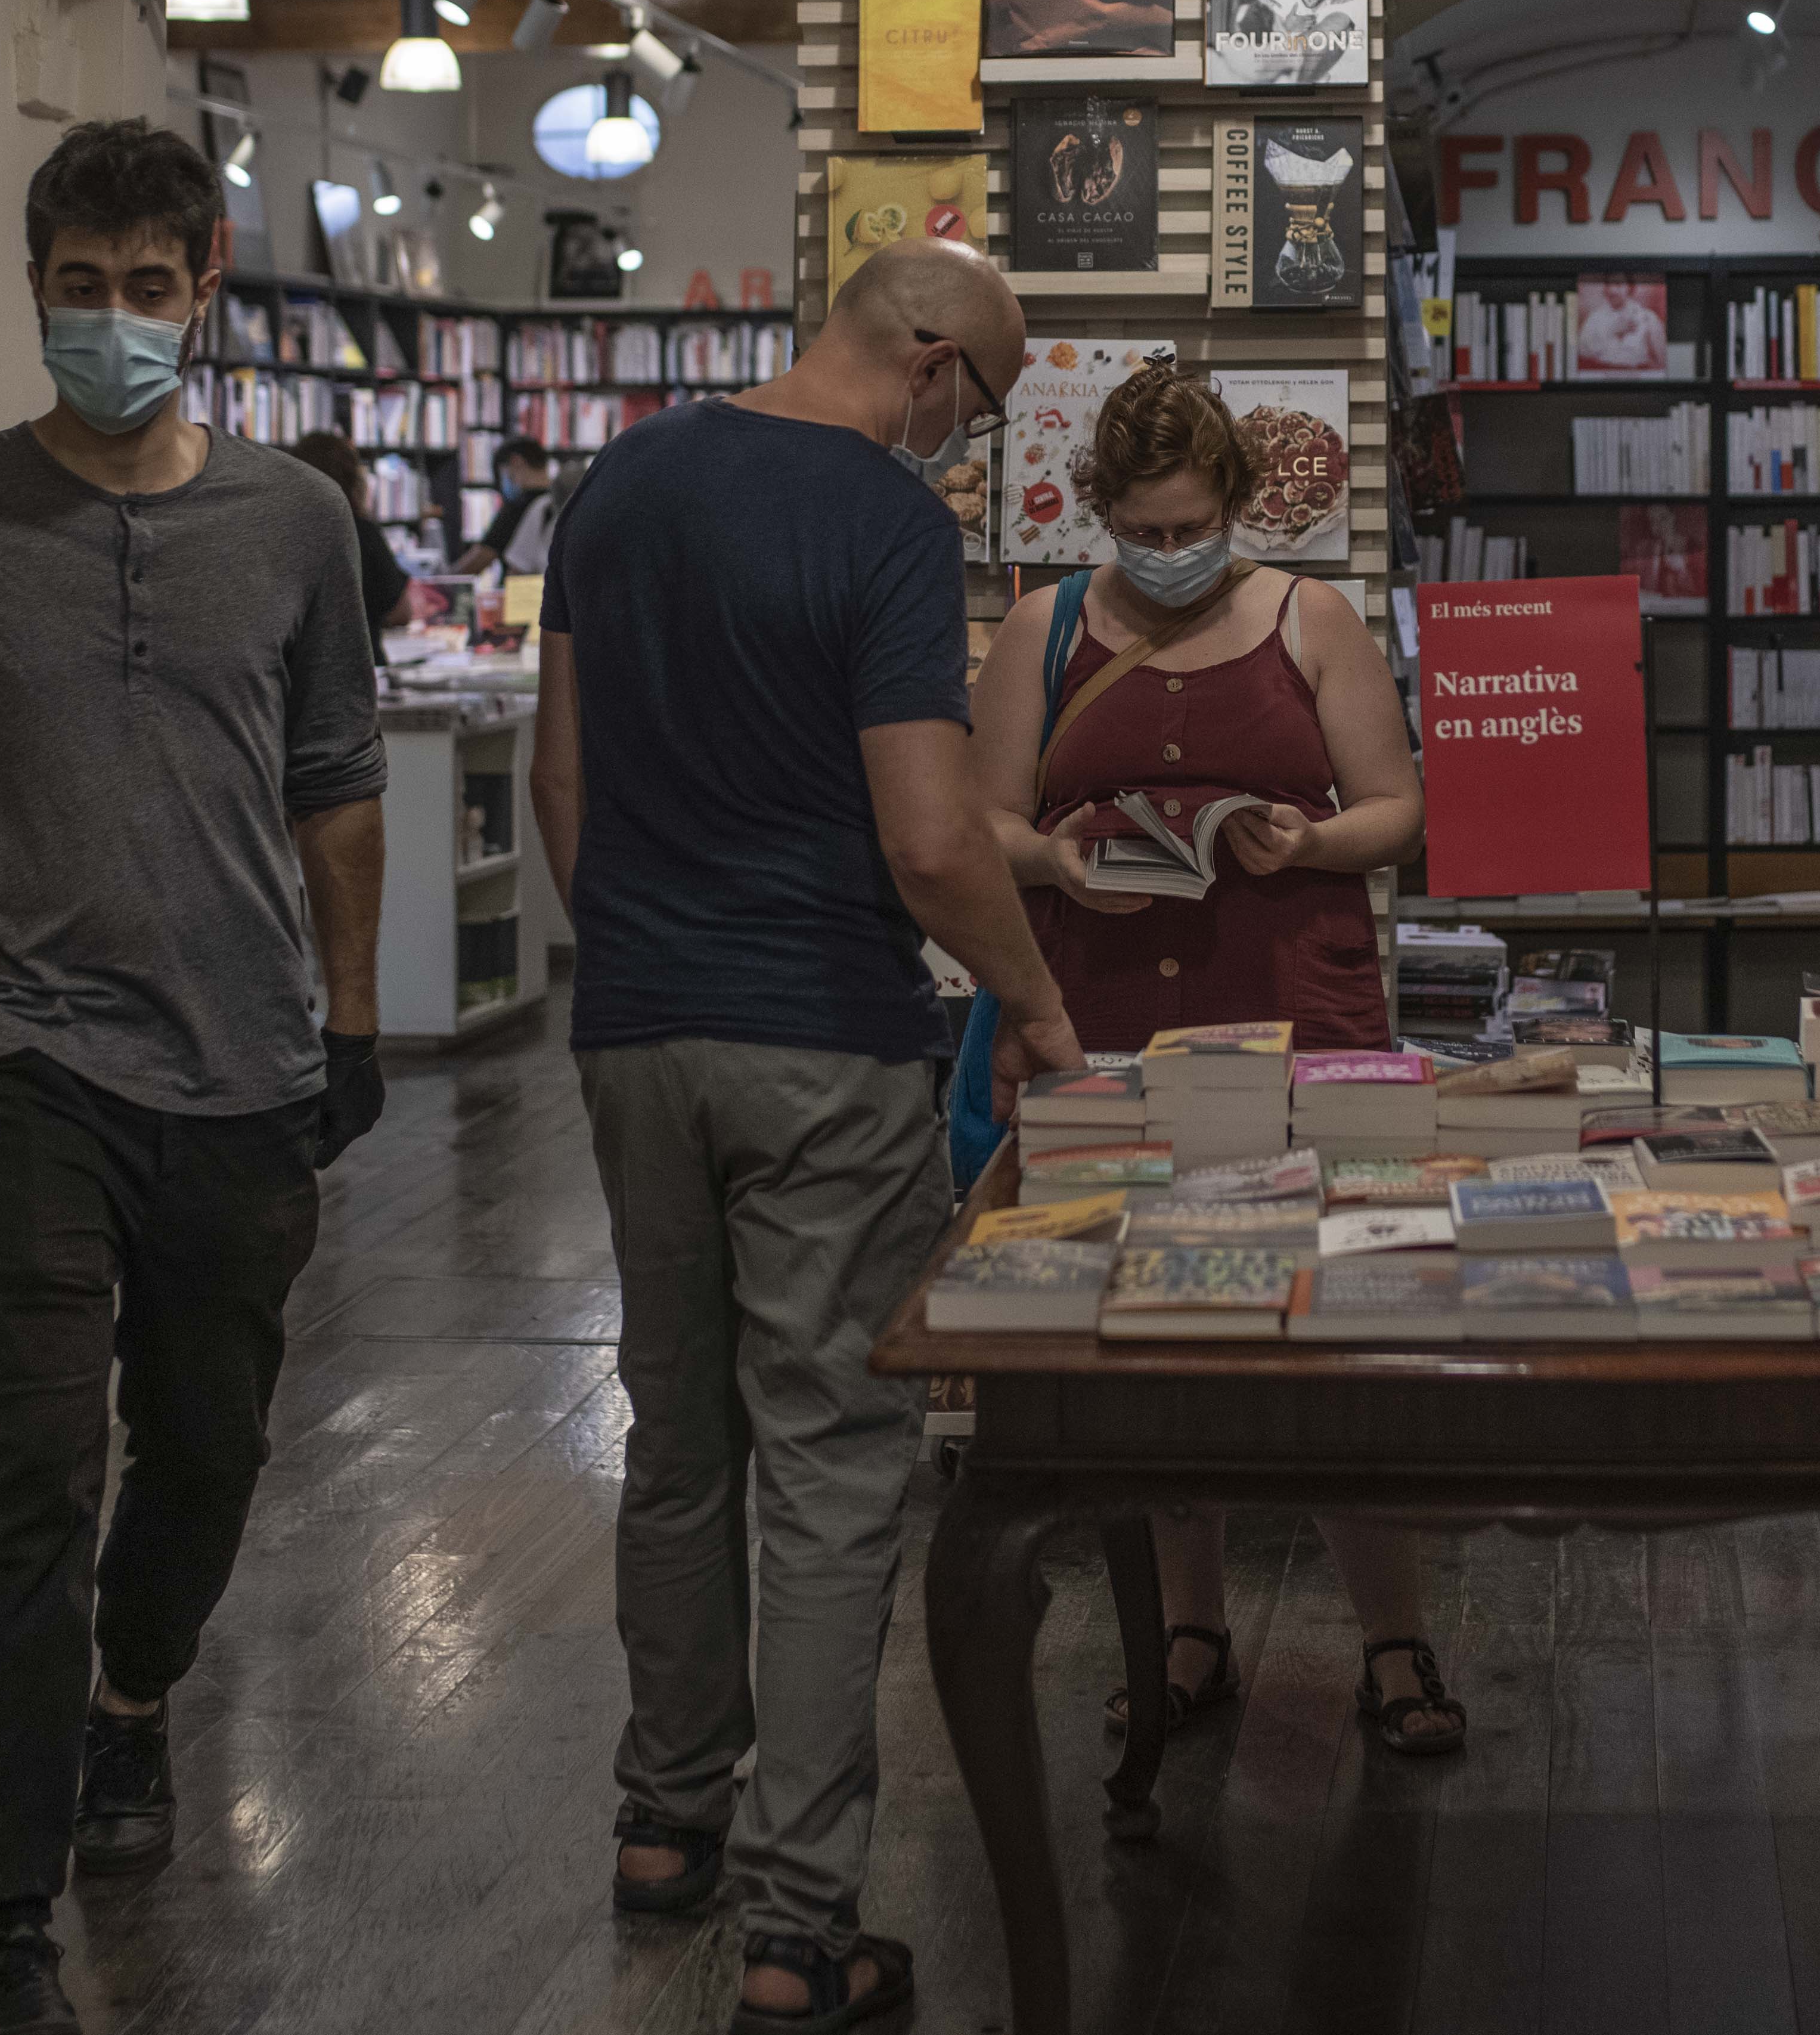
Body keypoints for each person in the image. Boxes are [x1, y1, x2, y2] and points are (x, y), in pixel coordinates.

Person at [0, 119, 395, 2035]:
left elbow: (337, 784)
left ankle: (132, 1702)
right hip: (15, 1053)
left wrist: (359, 1016)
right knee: (29, 1463)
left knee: (210, 1443)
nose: (117, 318)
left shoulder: (296, 522)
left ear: (205, 284)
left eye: (152, 286)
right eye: (82, 284)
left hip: (241, 1060)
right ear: (38, 278)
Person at [531, 236, 1082, 2033]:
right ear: (927, 356)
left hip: (635, 1025)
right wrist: (1043, 1008)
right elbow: (929, 839)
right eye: (983, 406)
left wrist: (642, 949)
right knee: (835, 1463)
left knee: (675, 1433)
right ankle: (794, 1919)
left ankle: (660, 1822)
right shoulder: (883, 521)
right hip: (817, 1036)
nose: (974, 445)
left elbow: (565, 774)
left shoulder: (623, 476)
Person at [963, 363, 1460, 1754]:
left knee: (1341, 1324)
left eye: (1192, 527)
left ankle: (1393, 1635)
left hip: (1295, 1004)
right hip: (1108, 1005)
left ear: (1239, 506)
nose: (1169, 553)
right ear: (1099, 512)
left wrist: (1306, 842)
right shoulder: (1042, 626)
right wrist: (1053, 853)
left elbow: (1394, 811)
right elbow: (983, 818)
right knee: (1153, 1329)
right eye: (1144, 526)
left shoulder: (1310, 618)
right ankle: (1188, 1625)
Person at [283, 429, 418, 631]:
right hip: (361, 658)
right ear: (351, 479)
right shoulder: (360, 532)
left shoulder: (285, 535)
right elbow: (402, 611)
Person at [463, 435, 569, 577]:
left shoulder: (519, 507)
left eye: (505, 475)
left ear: (516, 462)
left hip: (523, 594)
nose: (504, 483)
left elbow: (480, 559)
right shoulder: (564, 501)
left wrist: (441, 581)